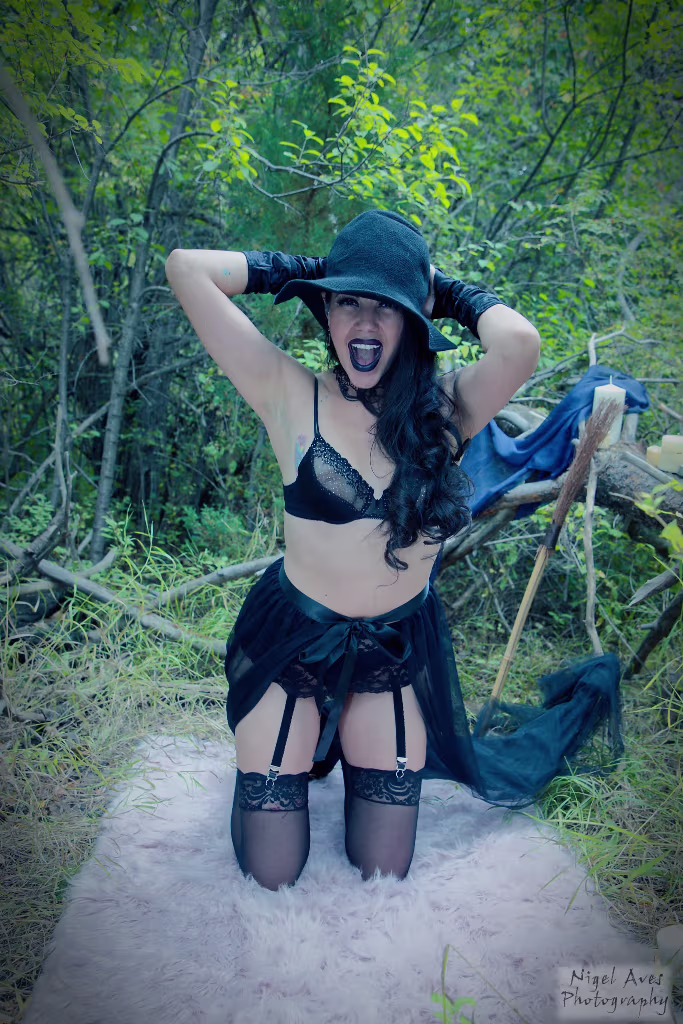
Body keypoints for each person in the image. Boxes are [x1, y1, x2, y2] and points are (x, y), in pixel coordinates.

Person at [165, 210, 541, 891]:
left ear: (413, 320)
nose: (364, 322)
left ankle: (331, 743)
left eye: (385, 307)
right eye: (348, 304)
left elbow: (519, 343)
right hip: (292, 644)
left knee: (383, 868)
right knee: (273, 873)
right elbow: (186, 268)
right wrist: (312, 273)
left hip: (392, 649)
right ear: (326, 312)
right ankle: (287, 750)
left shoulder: (449, 410)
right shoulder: (287, 392)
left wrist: (438, 289)